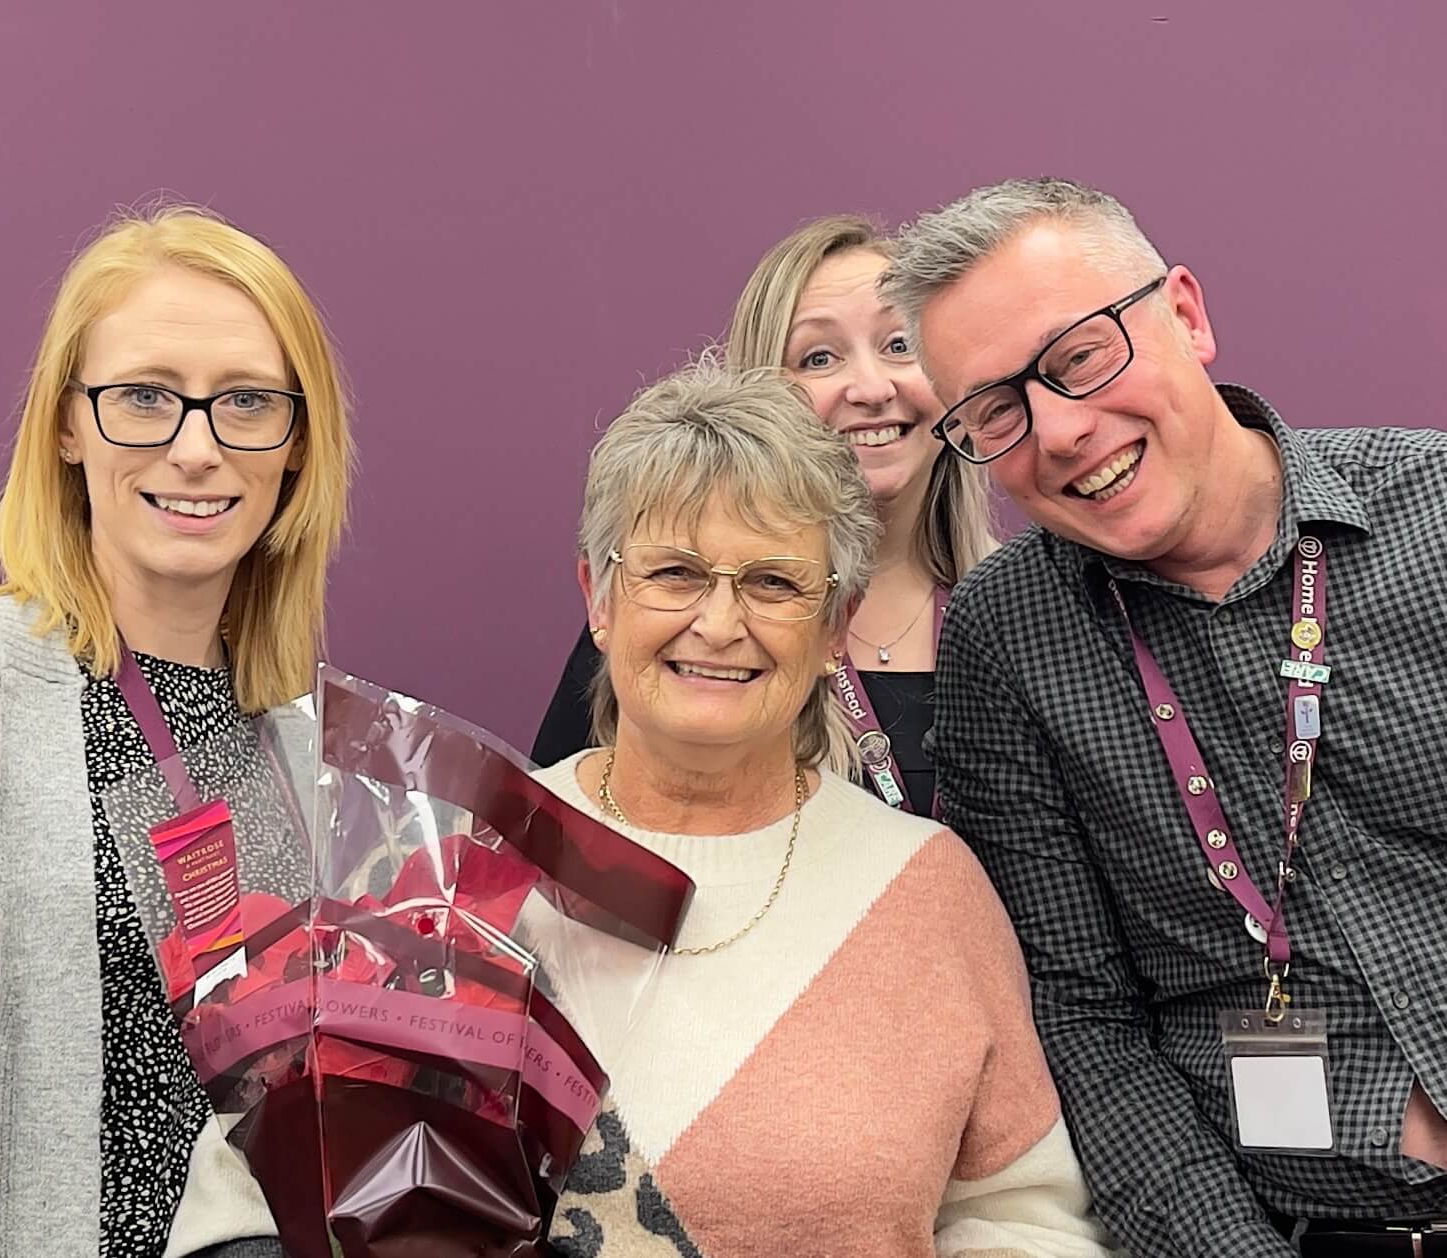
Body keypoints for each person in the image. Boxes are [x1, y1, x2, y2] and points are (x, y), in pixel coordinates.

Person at [881, 176, 1447, 1256]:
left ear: (1184, 312)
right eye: (997, 411)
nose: (1058, 431)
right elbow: (1079, 1014)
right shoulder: (1006, 640)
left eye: (1081, 355)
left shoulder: (1434, 513)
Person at [536, 357, 1113, 1257]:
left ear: (834, 625)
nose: (720, 625)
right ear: (599, 599)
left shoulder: (924, 888)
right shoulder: (478, 854)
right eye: (676, 573)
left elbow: (1024, 1213)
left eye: (773, 583)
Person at [0, 206, 353, 1257]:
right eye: (144, 396)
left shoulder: (310, 753)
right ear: (66, 424)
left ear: (297, 441)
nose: (195, 447)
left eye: (246, 402)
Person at [531, 216, 995, 813]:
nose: (872, 387)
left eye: (899, 345)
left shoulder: (1020, 616)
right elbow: (550, 844)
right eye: (820, 357)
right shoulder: (664, 618)